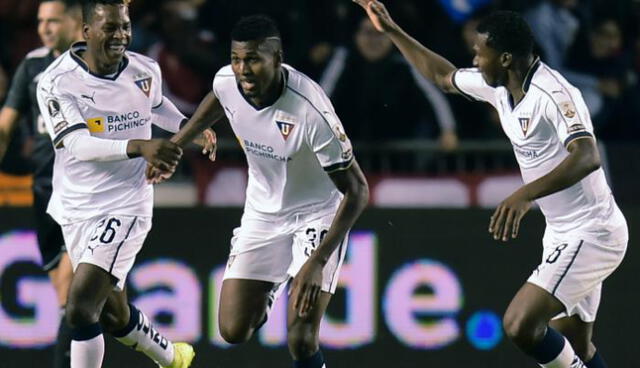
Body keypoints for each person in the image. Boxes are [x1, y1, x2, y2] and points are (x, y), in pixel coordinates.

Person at [354, 1, 627, 368]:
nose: (475, 59)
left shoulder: (556, 94)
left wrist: (523, 194)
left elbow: (587, 156)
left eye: (480, 52)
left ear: (506, 59)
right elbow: (441, 76)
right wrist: (391, 30)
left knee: (520, 325)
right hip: (561, 232)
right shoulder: (497, 86)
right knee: (576, 347)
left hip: (593, 232)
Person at [149, 15, 369, 368]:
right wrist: (177, 144)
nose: (243, 70)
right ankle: (276, 282)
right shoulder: (227, 81)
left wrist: (316, 262)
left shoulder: (310, 110)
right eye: (236, 59)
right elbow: (219, 99)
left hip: (317, 213)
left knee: (301, 338)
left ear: (277, 58)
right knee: (232, 330)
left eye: (253, 59)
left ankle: (297, 271)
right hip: (263, 213)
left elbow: (357, 191)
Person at [36, 0, 213, 367]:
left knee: (81, 307)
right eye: (110, 28)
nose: (121, 36)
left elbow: (156, 104)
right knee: (111, 313)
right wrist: (140, 146)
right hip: (75, 205)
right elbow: (79, 144)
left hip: (126, 204)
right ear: (86, 32)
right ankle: (171, 357)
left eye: (125, 27)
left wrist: (185, 126)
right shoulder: (56, 82)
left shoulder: (144, 68)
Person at [0, 1, 82, 366]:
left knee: (71, 290)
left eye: (53, 20)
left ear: (76, 22)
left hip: (86, 191)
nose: (45, 28)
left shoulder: (95, 64)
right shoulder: (32, 65)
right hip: (44, 189)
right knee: (69, 298)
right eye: (40, 22)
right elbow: (6, 123)